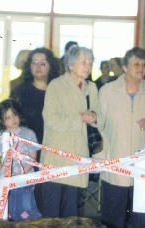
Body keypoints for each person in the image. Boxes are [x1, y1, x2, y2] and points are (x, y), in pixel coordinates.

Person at [97, 47, 145, 228]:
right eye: (137, 64)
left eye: (144, 64)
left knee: (142, 215)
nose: (141, 68)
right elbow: (99, 124)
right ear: (125, 67)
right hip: (115, 164)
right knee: (112, 217)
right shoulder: (108, 91)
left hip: (143, 167)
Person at [40, 45, 98, 218]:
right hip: (56, 158)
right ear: (71, 65)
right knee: (51, 214)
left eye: (90, 62)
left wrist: (94, 116)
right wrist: (79, 119)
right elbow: (50, 119)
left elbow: (100, 117)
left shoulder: (92, 88)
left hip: (78, 156)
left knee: (71, 214)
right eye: (84, 62)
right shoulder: (56, 86)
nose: (88, 66)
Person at [10, 47, 59, 212]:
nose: (38, 66)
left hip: (53, 151)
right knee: (28, 205)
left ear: (50, 66)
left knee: (50, 202)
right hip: (28, 153)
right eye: (34, 63)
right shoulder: (20, 91)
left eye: (43, 63)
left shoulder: (58, 90)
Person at [0, 99, 41, 221]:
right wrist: (7, 174)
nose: (13, 119)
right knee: (8, 210)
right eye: (8, 117)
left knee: (26, 207)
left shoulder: (28, 134)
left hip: (25, 179)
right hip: (6, 180)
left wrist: (21, 173)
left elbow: (33, 157)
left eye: (15, 115)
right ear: (1, 121)